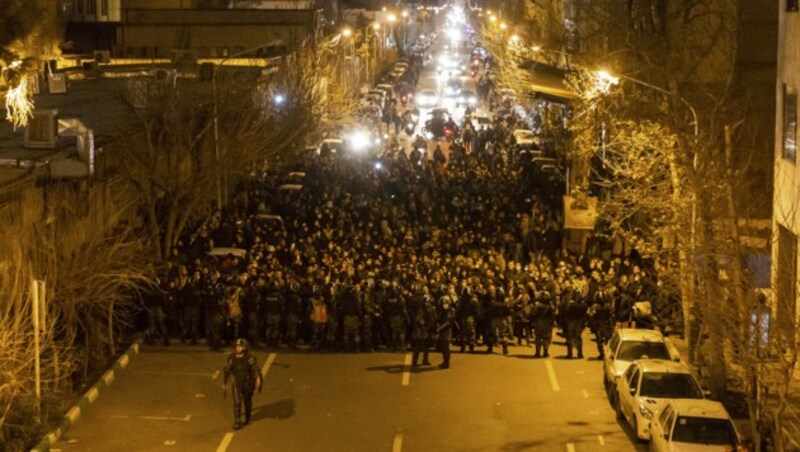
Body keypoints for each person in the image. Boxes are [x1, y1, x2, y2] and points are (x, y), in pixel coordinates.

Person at [223, 338, 262, 430]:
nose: (238, 348)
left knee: (247, 401)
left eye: (240, 346)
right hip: (237, 382)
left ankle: (248, 418)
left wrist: (257, 378)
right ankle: (237, 421)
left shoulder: (249, 358)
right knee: (237, 402)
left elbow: (255, 369)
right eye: (237, 346)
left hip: (247, 382)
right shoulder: (231, 358)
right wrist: (225, 383)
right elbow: (227, 370)